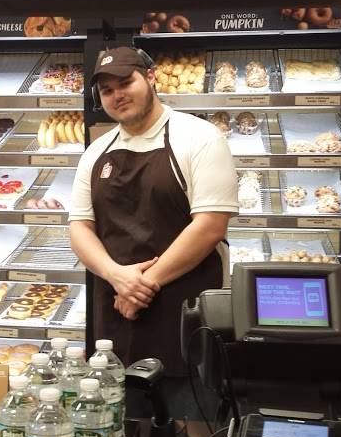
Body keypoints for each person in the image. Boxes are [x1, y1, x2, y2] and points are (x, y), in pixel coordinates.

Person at [69, 46, 237, 416]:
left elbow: (210, 226)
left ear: (150, 77)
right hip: (116, 309)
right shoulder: (96, 152)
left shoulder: (199, 137)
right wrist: (118, 276)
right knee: (121, 421)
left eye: (125, 82)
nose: (117, 95)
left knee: (195, 423)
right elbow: (79, 226)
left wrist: (143, 284)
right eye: (107, 90)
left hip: (184, 311)